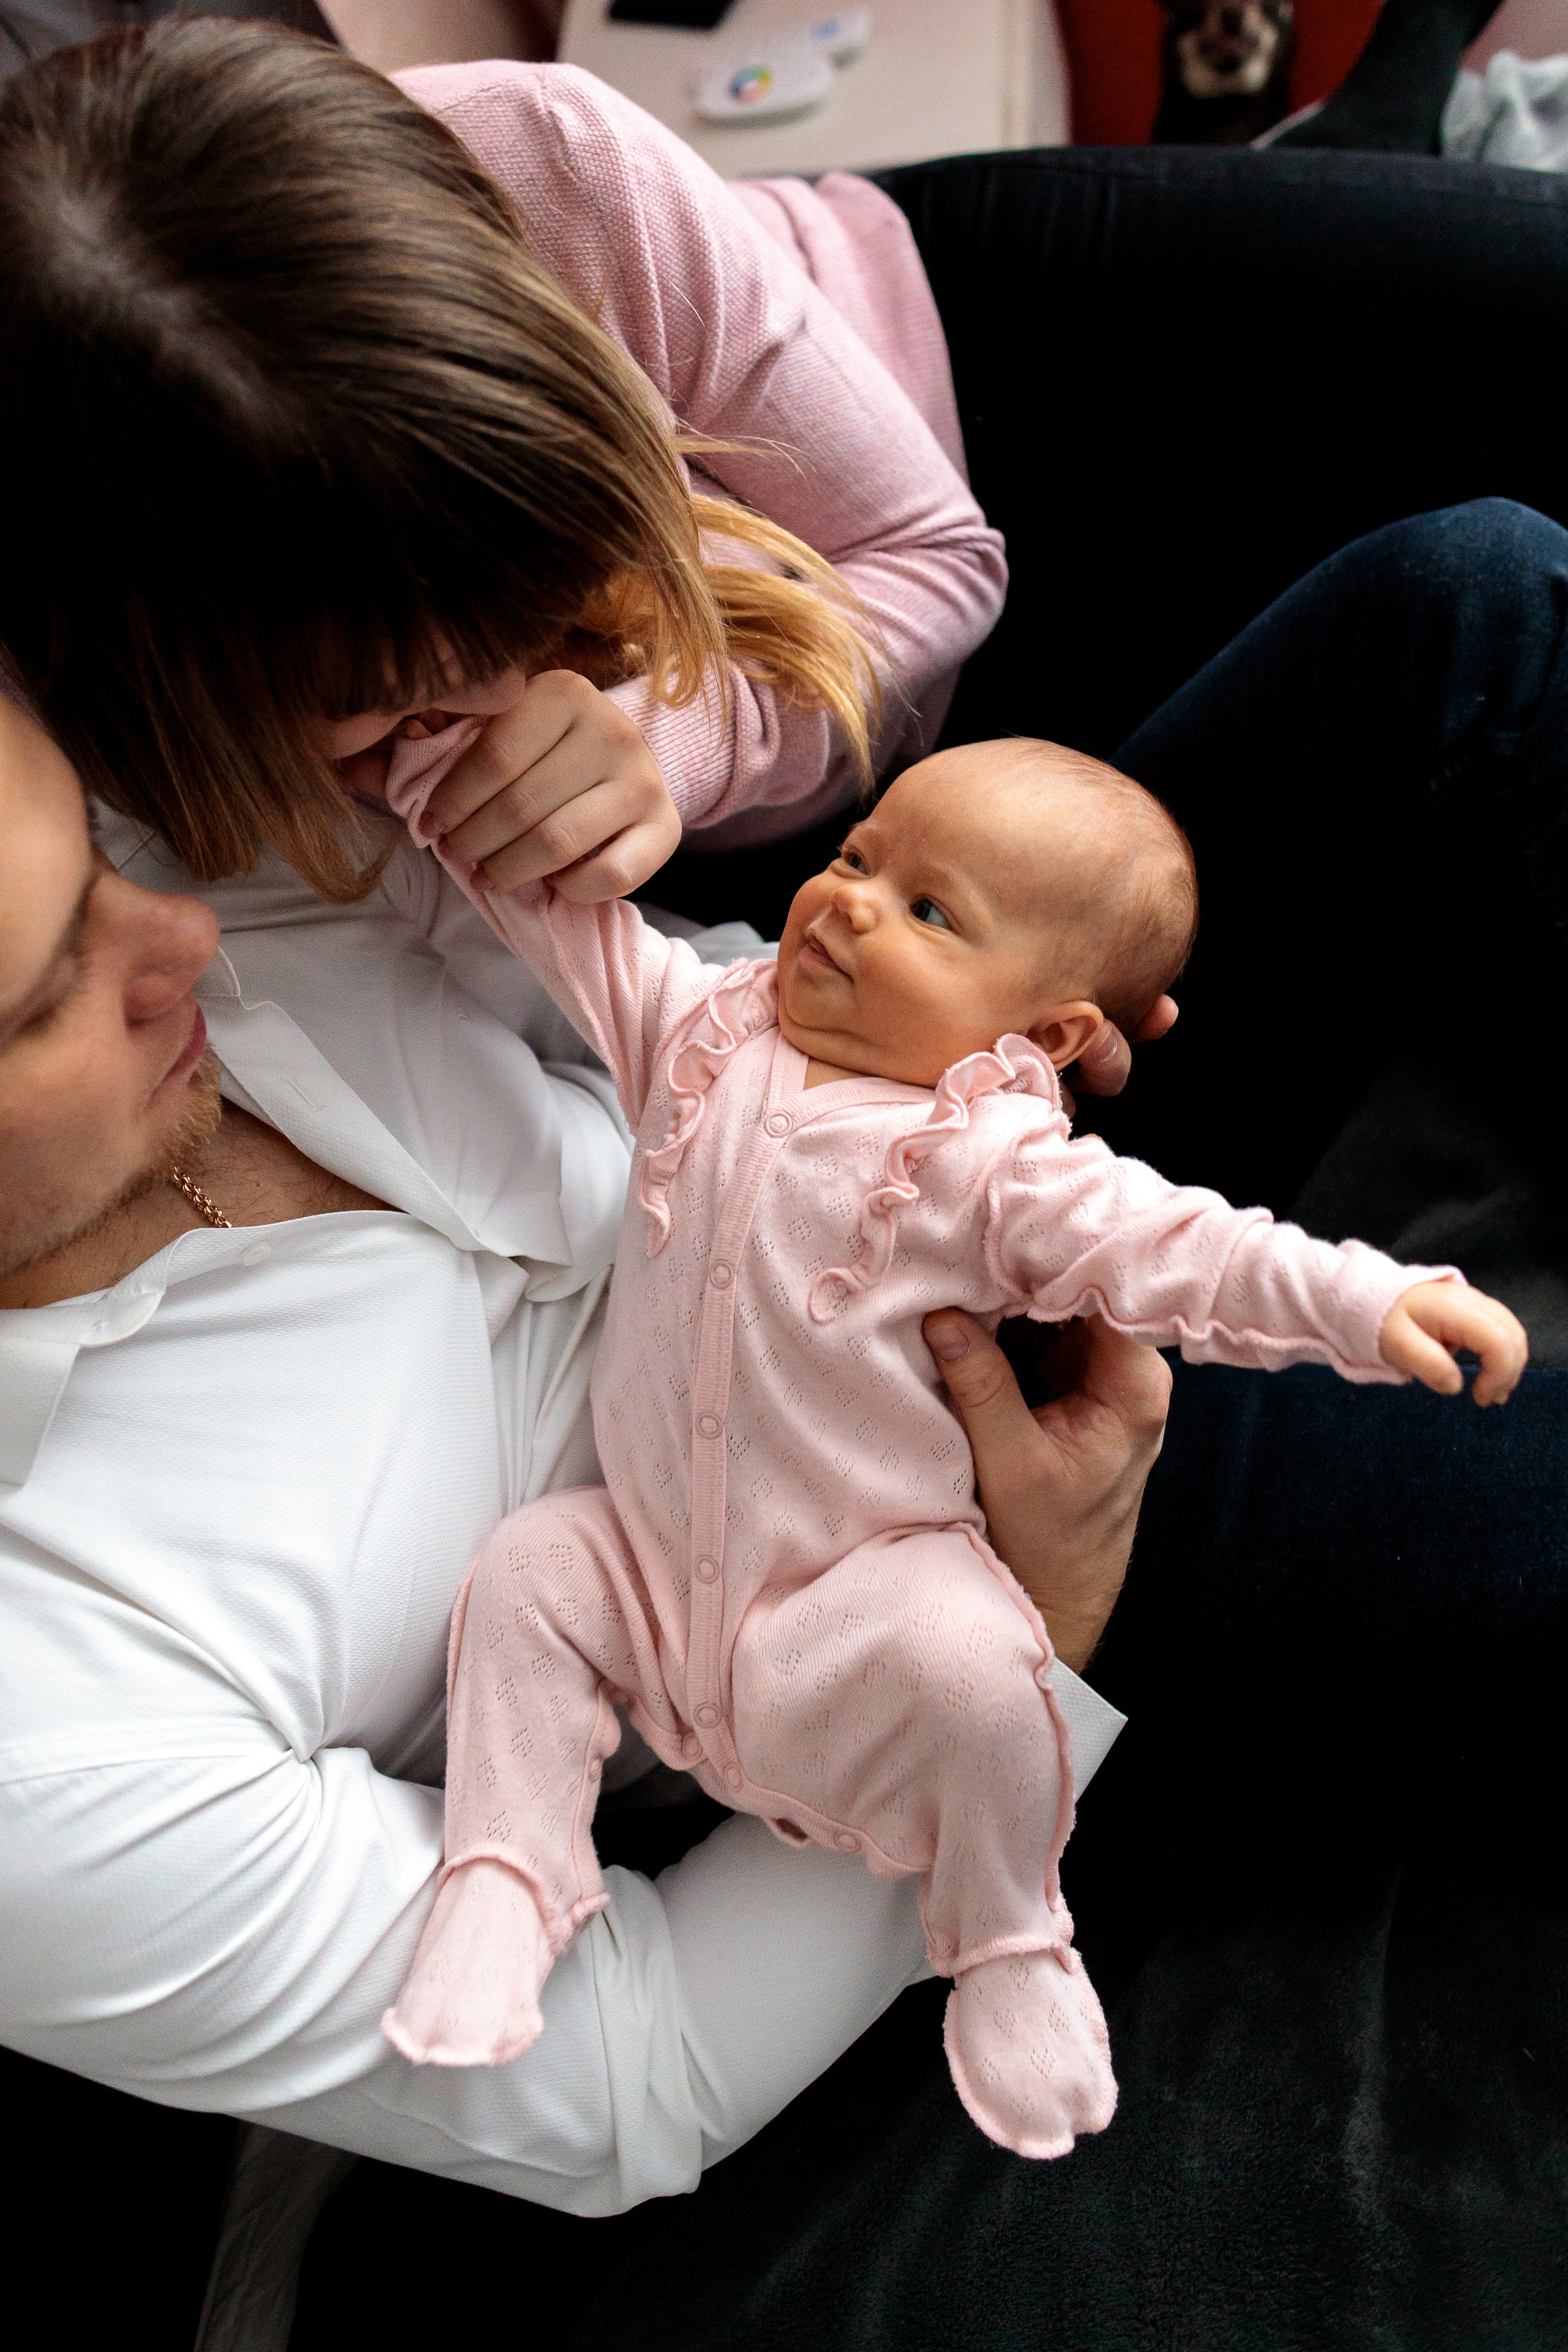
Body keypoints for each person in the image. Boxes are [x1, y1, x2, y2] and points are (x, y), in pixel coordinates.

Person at [0, 18, 1564, 2341]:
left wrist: (942, 1004)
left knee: (1478, 607)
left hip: (878, 1124)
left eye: (110, 864)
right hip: (878, 1571)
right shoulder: (48, 1725)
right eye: (48, 986)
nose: (185, 939)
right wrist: (1027, 1636)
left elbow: (674, 889)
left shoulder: (173, 797)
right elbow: (625, 2068)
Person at [379, 728, 1523, 2157]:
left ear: (1049, 1035)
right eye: (855, 858)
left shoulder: (989, 1171)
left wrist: (1366, 1300)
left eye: (928, 910)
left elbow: (1187, 1249)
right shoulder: (697, 1029)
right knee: (530, 1572)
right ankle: (509, 1869)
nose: (849, 903)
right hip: (645, 1577)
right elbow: (556, 912)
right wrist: (431, 769)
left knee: (976, 1657)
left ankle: (1003, 1930)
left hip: (845, 1611)